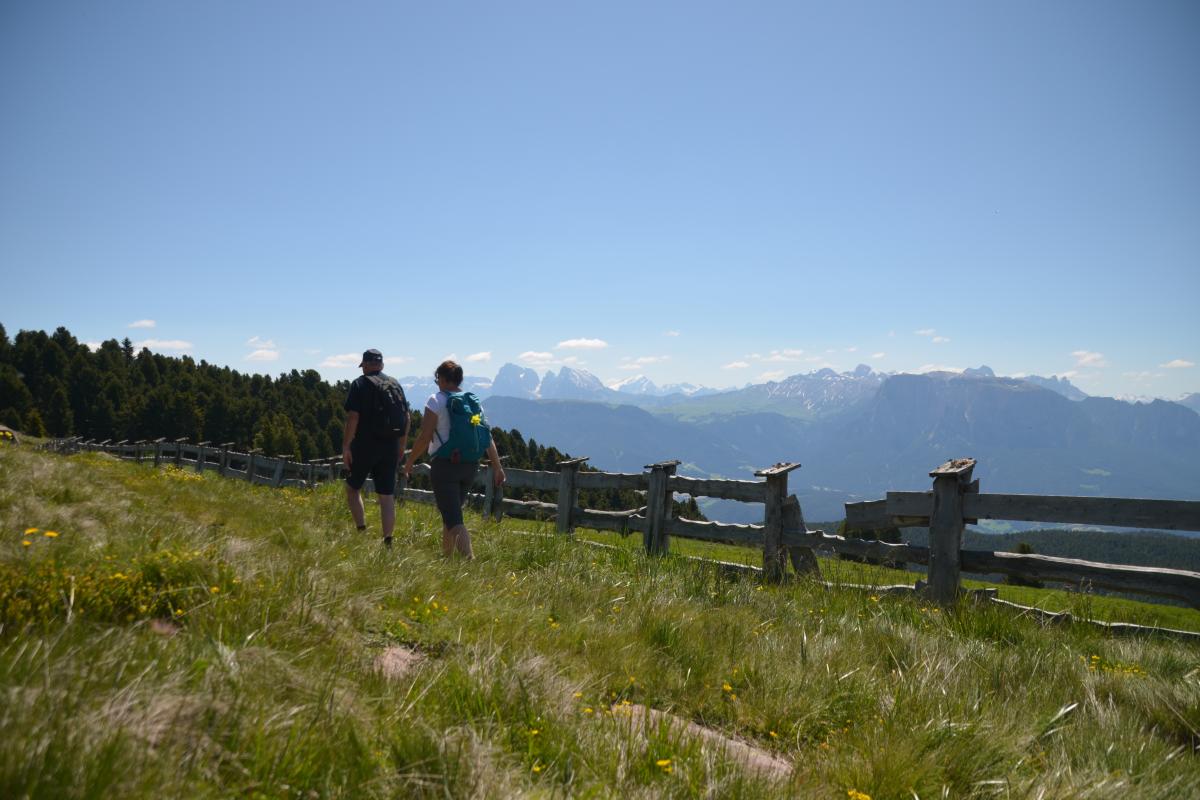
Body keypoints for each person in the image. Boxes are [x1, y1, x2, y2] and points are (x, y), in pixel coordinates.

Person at [403, 359, 505, 558]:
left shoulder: (436, 400)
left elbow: (425, 436)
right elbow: (487, 437)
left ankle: (470, 561)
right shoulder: (473, 403)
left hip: (445, 465)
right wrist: (498, 467)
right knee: (449, 515)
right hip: (469, 465)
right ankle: (446, 560)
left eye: (437, 378)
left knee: (454, 519)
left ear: (442, 378)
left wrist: (409, 461)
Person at [342, 349, 410, 546]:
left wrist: (346, 446)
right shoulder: (394, 384)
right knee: (386, 496)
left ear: (364, 364)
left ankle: (361, 530)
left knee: (353, 488)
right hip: (390, 446)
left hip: (365, 445)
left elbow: (353, 417)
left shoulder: (359, 384)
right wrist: (401, 445)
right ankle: (388, 540)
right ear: (381, 365)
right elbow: (406, 417)